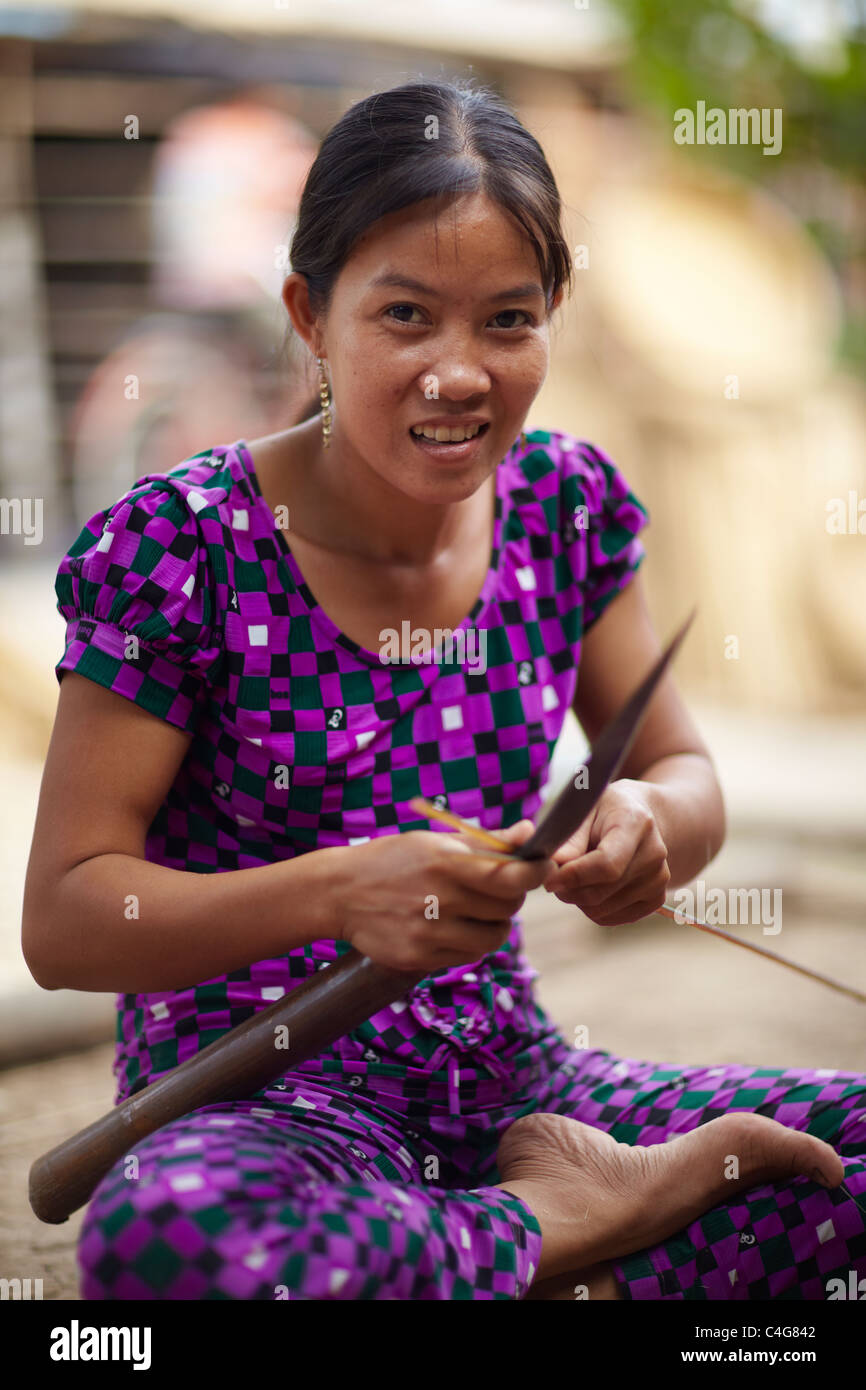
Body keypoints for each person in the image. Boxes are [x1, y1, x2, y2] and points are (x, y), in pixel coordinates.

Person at [23, 78, 864, 1301]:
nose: (457, 373)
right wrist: (337, 892)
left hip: (519, 1087)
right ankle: (565, 1232)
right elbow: (67, 919)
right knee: (174, 1251)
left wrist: (650, 825)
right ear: (310, 314)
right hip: (268, 1101)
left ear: (555, 314)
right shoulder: (183, 546)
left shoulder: (564, 508)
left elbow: (677, 770)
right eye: (405, 316)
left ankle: (511, 1228)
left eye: (507, 321)